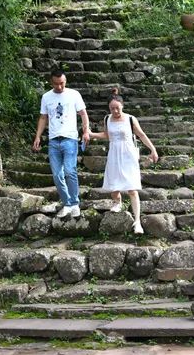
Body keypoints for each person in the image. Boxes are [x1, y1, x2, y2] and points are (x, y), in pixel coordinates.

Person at [89, 87, 158, 234]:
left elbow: (141, 135)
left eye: (117, 108)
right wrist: (92, 134)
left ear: (122, 106)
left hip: (128, 154)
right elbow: (107, 135)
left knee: (132, 189)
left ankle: (137, 221)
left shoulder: (130, 119)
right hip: (114, 154)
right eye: (112, 108)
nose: (115, 111)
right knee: (114, 186)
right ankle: (117, 202)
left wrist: (153, 149)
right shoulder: (107, 119)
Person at [32, 68, 90, 218]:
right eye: (56, 84)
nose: (59, 86)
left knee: (70, 171)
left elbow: (83, 113)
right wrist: (38, 137)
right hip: (53, 140)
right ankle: (67, 203)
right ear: (51, 82)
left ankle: (75, 203)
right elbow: (43, 117)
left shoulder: (74, 94)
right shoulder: (46, 97)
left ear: (66, 81)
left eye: (62, 83)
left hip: (70, 139)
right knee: (57, 175)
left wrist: (86, 131)